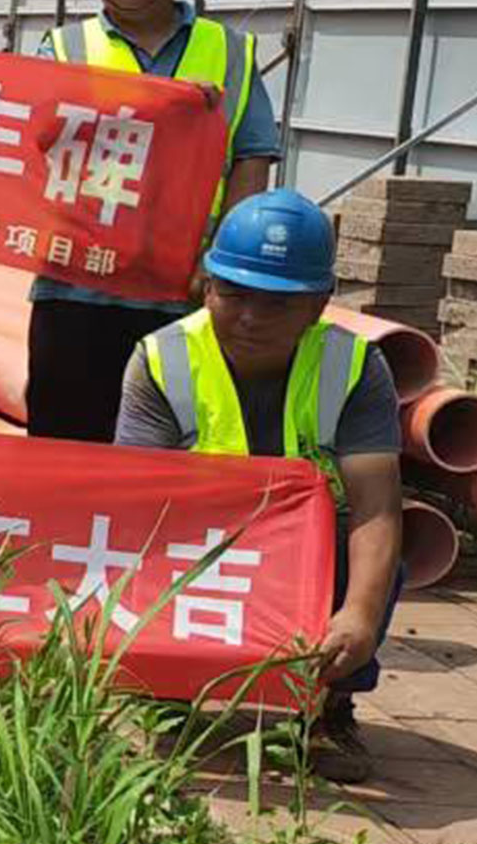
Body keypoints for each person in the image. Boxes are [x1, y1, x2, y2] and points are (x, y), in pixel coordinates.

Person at [115, 188, 400, 781]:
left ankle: (328, 707)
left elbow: (377, 507)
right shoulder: (162, 360)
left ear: (319, 303)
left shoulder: (354, 369)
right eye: (234, 294)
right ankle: (165, 694)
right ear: (207, 286)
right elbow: (134, 503)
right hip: (197, 543)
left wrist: (360, 614)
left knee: (376, 563)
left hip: (308, 553)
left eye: (276, 303)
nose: (250, 317)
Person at [28, 0, 279, 443]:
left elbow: (253, 158)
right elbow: (30, 145)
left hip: (181, 290)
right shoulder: (62, 49)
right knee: (65, 447)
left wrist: (219, 263)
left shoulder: (228, 53)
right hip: (76, 289)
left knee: (169, 448)